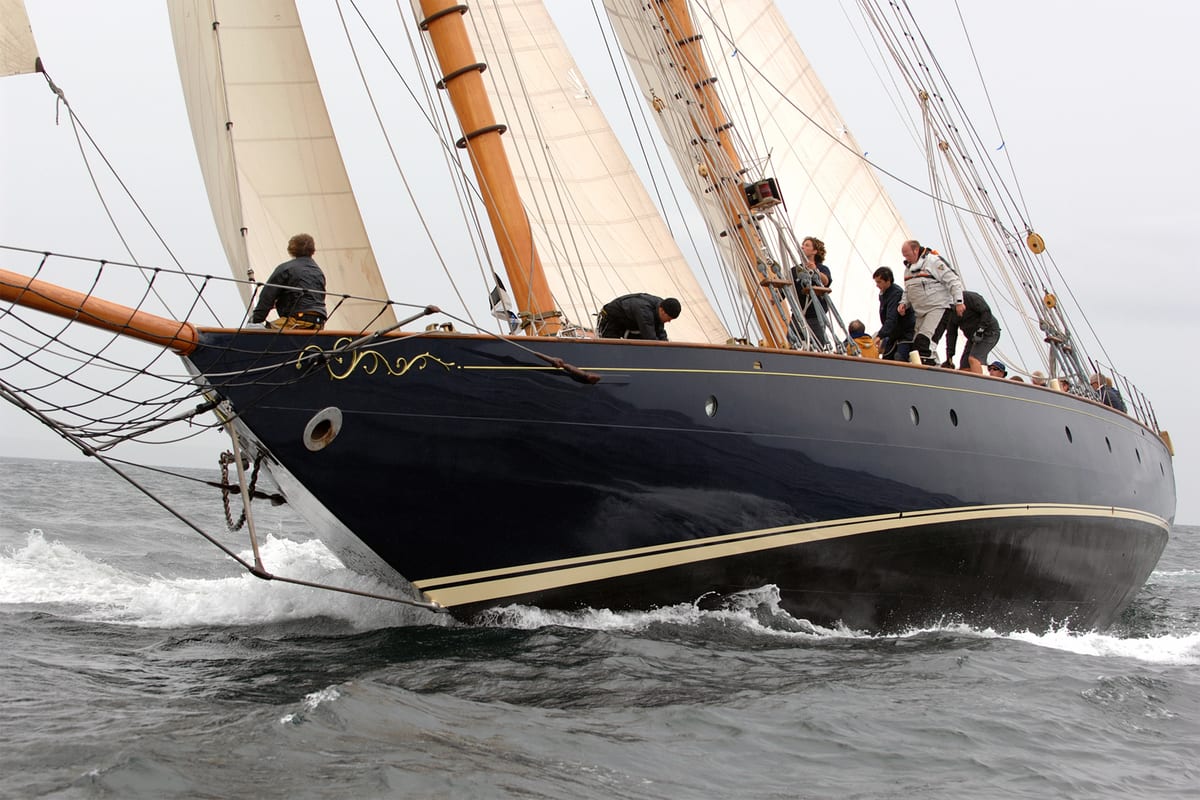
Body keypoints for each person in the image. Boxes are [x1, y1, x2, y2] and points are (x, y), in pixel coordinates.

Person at [896, 240, 965, 366]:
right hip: (920, 312)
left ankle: (931, 373)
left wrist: (959, 302)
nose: (906, 258)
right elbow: (908, 289)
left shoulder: (934, 262)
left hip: (938, 308)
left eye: (907, 255)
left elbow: (953, 281)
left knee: (924, 343)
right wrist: (903, 303)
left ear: (915, 250)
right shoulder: (908, 270)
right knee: (916, 348)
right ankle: (930, 368)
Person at [251, 233, 328, 329]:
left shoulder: (285, 269)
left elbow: (267, 297)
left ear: (292, 249)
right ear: (312, 250)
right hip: (319, 322)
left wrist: (255, 320)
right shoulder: (318, 272)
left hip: (296, 320)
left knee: (256, 331)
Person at [935, 289, 1001, 373]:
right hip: (972, 337)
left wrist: (980, 330)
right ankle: (969, 383)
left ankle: (981, 383)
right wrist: (949, 357)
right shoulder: (950, 310)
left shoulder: (969, 297)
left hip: (989, 331)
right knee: (964, 365)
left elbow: (986, 311)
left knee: (974, 358)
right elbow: (951, 334)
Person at [793, 236, 832, 347]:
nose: (802, 247)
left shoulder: (822, 269)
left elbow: (826, 281)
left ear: (815, 251)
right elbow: (788, 286)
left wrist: (815, 271)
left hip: (816, 315)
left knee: (818, 345)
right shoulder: (795, 270)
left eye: (807, 245)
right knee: (792, 343)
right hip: (798, 315)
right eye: (803, 245)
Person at [872, 266, 914, 362]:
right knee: (887, 357)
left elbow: (892, 318)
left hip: (904, 334)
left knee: (899, 357)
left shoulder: (896, 294)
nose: (877, 285)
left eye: (879, 282)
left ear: (888, 281)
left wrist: (880, 336)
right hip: (893, 334)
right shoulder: (883, 294)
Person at [598, 293, 680, 340]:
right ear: (662, 311)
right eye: (669, 319)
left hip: (627, 325)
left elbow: (660, 331)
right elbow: (650, 338)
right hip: (610, 321)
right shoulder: (645, 311)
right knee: (612, 350)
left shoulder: (660, 307)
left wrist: (667, 348)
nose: (669, 321)